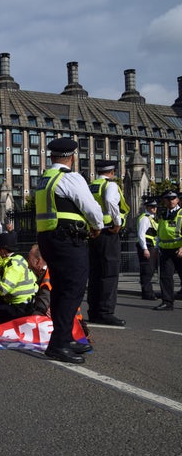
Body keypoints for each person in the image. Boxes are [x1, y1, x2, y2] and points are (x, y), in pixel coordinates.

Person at [36, 138, 103, 364]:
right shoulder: (70, 178)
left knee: (61, 290)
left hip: (48, 239)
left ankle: (64, 337)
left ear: (52, 157)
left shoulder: (45, 179)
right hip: (68, 240)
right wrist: (97, 226)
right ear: (72, 157)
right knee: (72, 289)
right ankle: (59, 344)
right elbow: (91, 207)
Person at [86, 160, 128, 326]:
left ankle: (94, 310)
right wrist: (117, 221)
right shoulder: (110, 185)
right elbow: (111, 201)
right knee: (109, 273)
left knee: (95, 273)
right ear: (113, 172)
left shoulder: (92, 185)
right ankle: (105, 312)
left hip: (94, 232)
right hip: (109, 232)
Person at [0, 233, 37, 325]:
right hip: (16, 303)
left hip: (21, 307)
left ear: (3, 250)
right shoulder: (8, 261)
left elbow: (3, 288)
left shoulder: (14, 264)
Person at [153, 190, 182, 311]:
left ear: (177, 200)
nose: (171, 201)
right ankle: (167, 302)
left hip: (179, 250)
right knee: (165, 277)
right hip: (165, 250)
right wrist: (157, 247)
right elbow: (160, 232)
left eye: (173, 198)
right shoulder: (163, 214)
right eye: (168, 199)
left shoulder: (181, 213)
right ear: (164, 201)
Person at [136, 198, 158, 301]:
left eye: (155, 207)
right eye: (152, 207)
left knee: (150, 270)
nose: (154, 209)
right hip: (147, 247)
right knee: (146, 270)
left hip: (151, 246)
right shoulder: (145, 218)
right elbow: (141, 234)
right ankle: (147, 293)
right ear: (147, 207)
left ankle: (148, 292)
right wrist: (145, 248)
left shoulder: (151, 218)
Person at [27, 244, 51, 316]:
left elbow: (41, 309)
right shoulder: (43, 274)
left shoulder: (47, 278)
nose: (27, 262)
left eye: (29, 258)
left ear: (38, 261)